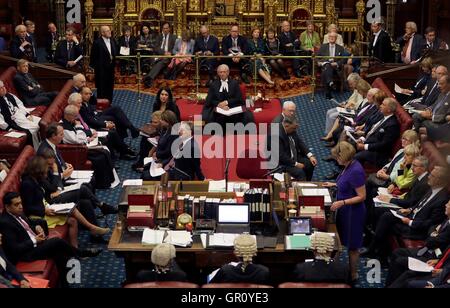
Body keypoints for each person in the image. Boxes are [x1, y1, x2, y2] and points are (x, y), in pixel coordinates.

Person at [0, 192, 102, 285]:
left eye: (21, 203)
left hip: (35, 244)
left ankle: (65, 283)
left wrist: (36, 227)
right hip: (26, 254)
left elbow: (28, 223)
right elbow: (15, 249)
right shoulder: (5, 222)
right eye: (16, 204)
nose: (21, 206)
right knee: (56, 242)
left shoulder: (18, 212)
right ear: (7, 207)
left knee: (58, 252)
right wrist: (35, 240)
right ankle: (80, 252)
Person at [20, 156, 110, 248]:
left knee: (80, 208)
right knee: (76, 207)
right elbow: (27, 208)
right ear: (38, 171)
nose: (47, 171)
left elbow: (49, 189)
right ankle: (91, 229)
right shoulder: (27, 184)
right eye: (45, 169)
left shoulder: (37, 179)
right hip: (39, 215)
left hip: (46, 207)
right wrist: (44, 210)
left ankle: (76, 249)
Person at [363, 166, 450, 260]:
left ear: (440, 180)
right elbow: (420, 204)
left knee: (386, 220)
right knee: (385, 215)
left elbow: (431, 223)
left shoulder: (442, 199)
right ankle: (376, 249)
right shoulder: (433, 188)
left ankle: (376, 252)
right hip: (411, 216)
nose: (429, 177)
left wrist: (410, 222)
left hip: (417, 229)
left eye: (432, 176)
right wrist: (410, 209)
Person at [323, 141, 366, 282]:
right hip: (344, 210)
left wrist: (342, 202)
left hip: (353, 213)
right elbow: (346, 183)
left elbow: (362, 196)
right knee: (338, 239)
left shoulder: (356, 171)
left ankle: (353, 275)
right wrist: (334, 184)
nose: (336, 159)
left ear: (344, 157)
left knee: (352, 246)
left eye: (337, 157)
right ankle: (333, 269)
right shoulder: (349, 165)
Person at [386, 200, 450, 287]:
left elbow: (431, 241)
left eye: (448, 204)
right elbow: (432, 228)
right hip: (428, 251)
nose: (445, 205)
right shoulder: (447, 219)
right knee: (397, 252)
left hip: (433, 256)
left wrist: (434, 234)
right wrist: (434, 233)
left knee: (402, 266)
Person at [62, 105, 118, 189]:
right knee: (101, 156)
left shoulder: (70, 121)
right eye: (75, 116)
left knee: (104, 151)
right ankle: (103, 184)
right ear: (69, 116)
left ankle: (109, 180)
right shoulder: (64, 128)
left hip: (83, 145)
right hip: (78, 151)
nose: (76, 118)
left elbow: (82, 133)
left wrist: (91, 133)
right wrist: (79, 127)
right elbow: (78, 140)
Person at [72, 91, 137, 160]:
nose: (81, 104)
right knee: (112, 132)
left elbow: (92, 108)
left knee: (116, 118)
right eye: (79, 103)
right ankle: (124, 150)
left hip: (94, 121)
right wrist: (104, 125)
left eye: (80, 102)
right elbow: (87, 123)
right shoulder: (75, 113)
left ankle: (124, 148)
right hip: (90, 130)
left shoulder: (80, 107)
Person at [354, 98, 400, 168]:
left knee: (357, 156)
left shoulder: (392, 125)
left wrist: (365, 146)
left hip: (378, 153)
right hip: (369, 143)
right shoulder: (383, 116)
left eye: (383, 105)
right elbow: (372, 132)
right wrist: (362, 139)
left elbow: (384, 145)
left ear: (389, 110)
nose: (380, 106)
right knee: (350, 144)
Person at [0, 80, 41, 148]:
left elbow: (20, 105)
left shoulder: (10, 95)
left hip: (22, 116)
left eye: (3, 86)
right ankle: (35, 149)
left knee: (41, 122)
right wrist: (9, 128)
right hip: (14, 122)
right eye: (1, 88)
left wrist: (27, 114)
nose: (3, 88)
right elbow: (0, 121)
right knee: (33, 130)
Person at [276, 115, 317, 181]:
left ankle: (308, 183)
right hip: (283, 163)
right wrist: (296, 164)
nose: (295, 130)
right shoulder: (276, 135)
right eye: (294, 128)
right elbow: (281, 156)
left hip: (294, 156)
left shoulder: (291, 129)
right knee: (300, 173)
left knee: (310, 164)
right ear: (286, 126)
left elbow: (300, 142)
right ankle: (301, 188)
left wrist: (310, 155)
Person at [142, 110, 179, 181]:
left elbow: (170, 152)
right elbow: (160, 143)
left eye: (162, 119)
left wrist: (158, 157)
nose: (160, 121)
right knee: (146, 167)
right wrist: (155, 153)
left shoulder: (174, 134)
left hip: (166, 160)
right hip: (160, 157)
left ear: (168, 122)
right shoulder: (164, 129)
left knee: (146, 176)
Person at [143, 23, 177, 88]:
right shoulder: (159, 36)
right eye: (164, 28)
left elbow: (175, 48)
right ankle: (149, 77)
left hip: (168, 57)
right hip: (160, 55)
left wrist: (170, 53)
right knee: (159, 61)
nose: (165, 30)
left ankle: (149, 78)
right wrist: (164, 52)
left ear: (169, 29)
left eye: (167, 28)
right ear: (162, 29)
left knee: (163, 60)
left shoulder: (174, 37)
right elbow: (156, 47)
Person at [90, 25, 117, 102]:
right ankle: (101, 104)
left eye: (109, 30)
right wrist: (96, 68)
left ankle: (109, 102)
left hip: (111, 68)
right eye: (107, 31)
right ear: (102, 33)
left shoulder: (112, 40)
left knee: (110, 86)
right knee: (102, 88)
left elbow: (115, 52)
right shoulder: (97, 42)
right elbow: (93, 57)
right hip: (101, 70)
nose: (109, 32)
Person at [317, 32, 346, 99]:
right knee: (327, 65)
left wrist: (336, 63)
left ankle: (329, 85)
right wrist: (319, 63)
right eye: (330, 37)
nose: (332, 38)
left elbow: (343, 60)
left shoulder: (340, 48)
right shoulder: (323, 46)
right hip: (325, 66)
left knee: (327, 69)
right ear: (328, 38)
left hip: (335, 68)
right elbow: (317, 58)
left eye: (333, 37)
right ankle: (330, 84)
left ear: (336, 38)